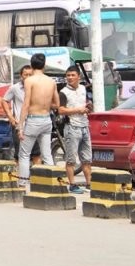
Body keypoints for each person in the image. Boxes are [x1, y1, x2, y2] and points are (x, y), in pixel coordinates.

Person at [17, 53, 59, 187]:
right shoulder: (51, 81)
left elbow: (26, 104)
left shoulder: (30, 81)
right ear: (44, 65)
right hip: (46, 120)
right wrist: (45, 105)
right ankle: (52, 184)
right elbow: (57, 104)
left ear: (32, 64)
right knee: (47, 155)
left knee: (24, 154)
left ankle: (23, 183)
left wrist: (20, 125)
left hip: (33, 120)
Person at [58, 66, 93, 194]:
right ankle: (72, 184)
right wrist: (78, 110)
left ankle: (89, 184)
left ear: (79, 76)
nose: (70, 78)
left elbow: (86, 103)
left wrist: (89, 107)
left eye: (73, 75)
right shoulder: (63, 92)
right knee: (71, 159)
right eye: (68, 75)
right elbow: (61, 110)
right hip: (72, 127)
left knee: (87, 159)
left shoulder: (83, 89)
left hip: (85, 126)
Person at [1, 65, 40, 164]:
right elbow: (4, 101)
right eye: (25, 74)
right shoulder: (15, 88)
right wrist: (11, 117)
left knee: (36, 154)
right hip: (20, 126)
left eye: (30, 75)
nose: (27, 77)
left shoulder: (38, 88)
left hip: (35, 124)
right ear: (21, 75)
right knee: (19, 155)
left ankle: (38, 178)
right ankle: (20, 178)